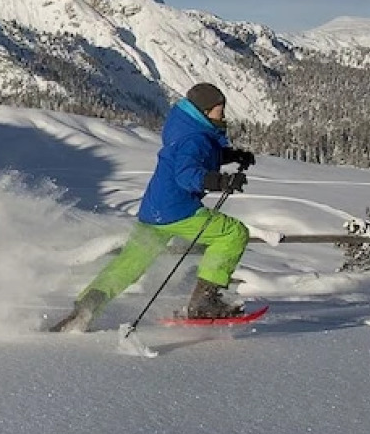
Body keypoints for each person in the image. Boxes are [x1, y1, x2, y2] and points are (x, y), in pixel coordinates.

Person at [51, 82, 256, 332]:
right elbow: (187, 173)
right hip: (177, 210)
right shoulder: (196, 137)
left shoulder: (187, 130)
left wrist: (231, 156)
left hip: (154, 210)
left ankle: (86, 307)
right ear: (204, 111)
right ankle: (204, 301)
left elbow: (195, 156)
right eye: (218, 109)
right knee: (233, 233)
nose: (222, 114)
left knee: (131, 263)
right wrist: (220, 181)